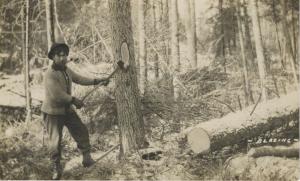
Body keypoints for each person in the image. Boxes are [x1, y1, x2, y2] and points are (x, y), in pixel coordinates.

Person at [41, 43, 109, 180]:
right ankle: (56, 167)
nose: (62, 57)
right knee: (55, 141)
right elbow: (57, 95)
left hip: (67, 110)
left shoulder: (66, 70)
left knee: (81, 131)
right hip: (53, 113)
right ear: (53, 57)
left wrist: (97, 81)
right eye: (59, 55)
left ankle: (87, 158)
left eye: (64, 55)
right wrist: (74, 100)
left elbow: (79, 78)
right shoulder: (50, 74)